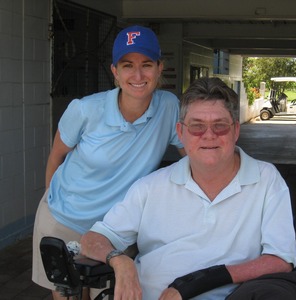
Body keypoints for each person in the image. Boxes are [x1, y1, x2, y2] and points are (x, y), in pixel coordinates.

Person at [80, 77, 296, 300]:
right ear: (181, 133)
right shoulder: (150, 187)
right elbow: (93, 239)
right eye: (197, 126)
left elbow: (280, 259)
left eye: (220, 126)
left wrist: (197, 283)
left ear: (236, 131)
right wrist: (120, 261)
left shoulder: (266, 180)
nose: (208, 135)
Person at [32, 24, 185, 299]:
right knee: (66, 294)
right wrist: (50, 199)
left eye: (146, 65)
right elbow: (57, 155)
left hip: (117, 227)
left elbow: (192, 157)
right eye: (127, 65)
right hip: (64, 218)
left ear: (160, 68)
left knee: (107, 295)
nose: (137, 75)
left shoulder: (169, 107)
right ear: (115, 71)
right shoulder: (85, 110)